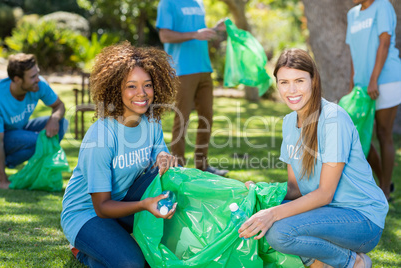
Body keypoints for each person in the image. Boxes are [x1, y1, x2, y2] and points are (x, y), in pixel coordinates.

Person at [238, 49, 388, 268]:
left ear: (313, 80)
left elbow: (325, 194)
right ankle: (321, 262)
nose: (291, 90)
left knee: (279, 232)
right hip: (325, 214)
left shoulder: (334, 119)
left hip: (362, 219)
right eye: (284, 82)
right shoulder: (289, 122)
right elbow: (295, 189)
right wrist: (260, 192)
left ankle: (352, 262)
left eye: (299, 80)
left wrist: (272, 213)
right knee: (255, 212)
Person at [61, 42, 179, 267]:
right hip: (87, 214)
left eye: (147, 85)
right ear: (116, 88)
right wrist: (145, 205)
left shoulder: (151, 121)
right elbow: (102, 206)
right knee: (133, 264)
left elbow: (159, 157)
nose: (142, 94)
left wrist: (165, 158)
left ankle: (115, 242)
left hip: (124, 200)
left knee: (169, 178)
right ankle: (82, 250)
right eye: (131, 86)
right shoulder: (102, 136)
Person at [156, 0, 228, 176]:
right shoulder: (167, 3)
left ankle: (202, 166)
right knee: (182, 119)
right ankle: (177, 168)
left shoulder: (198, 2)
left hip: (204, 67)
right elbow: (165, 36)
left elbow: (199, 34)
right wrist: (195, 34)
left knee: (207, 118)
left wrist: (215, 29)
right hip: (182, 69)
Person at [346, 0, 401, 201]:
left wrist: (374, 79)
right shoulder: (352, 14)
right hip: (362, 85)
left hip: (386, 80)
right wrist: (353, 83)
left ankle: (385, 190)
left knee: (383, 132)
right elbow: (353, 52)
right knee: (357, 135)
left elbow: (385, 43)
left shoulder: (383, 6)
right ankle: (380, 183)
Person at [0, 53, 67, 189]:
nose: (38, 79)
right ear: (17, 79)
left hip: (21, 129)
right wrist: (2, 180)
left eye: (37, 74)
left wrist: (54, 118)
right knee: (39, 140)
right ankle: (6, 166)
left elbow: (59, 105)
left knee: (61, 124)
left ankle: (37, 171)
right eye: (32, 77)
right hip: (4, 136)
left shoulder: (39, 85)